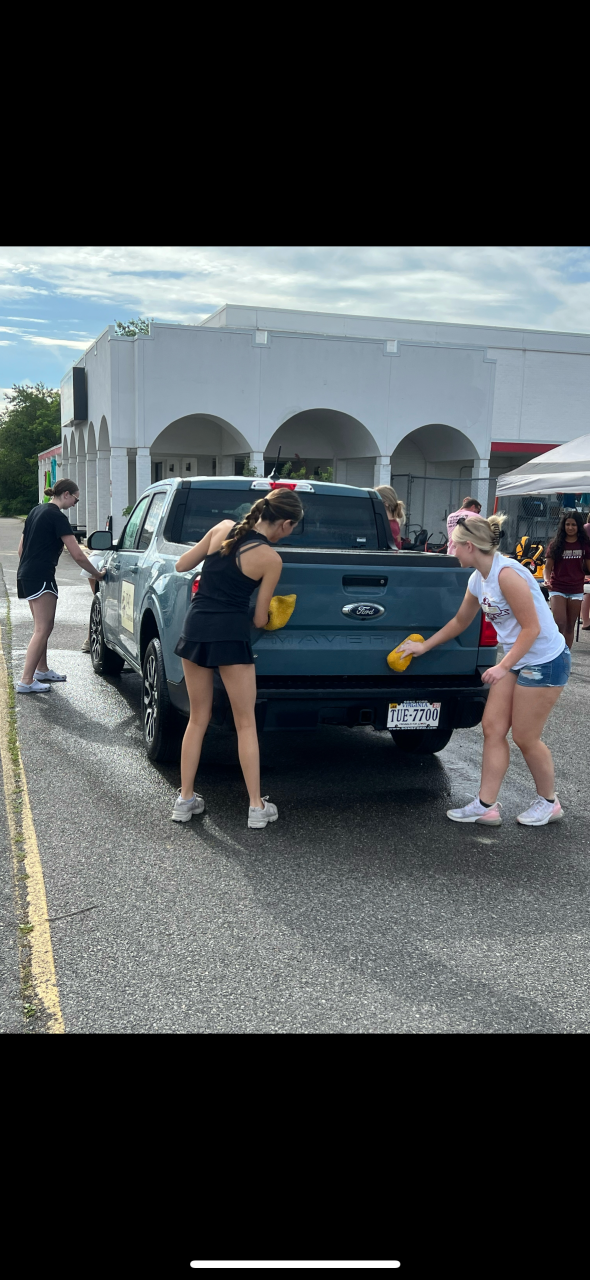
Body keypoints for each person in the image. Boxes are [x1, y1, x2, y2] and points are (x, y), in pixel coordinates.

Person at [398, 511, 570, 827]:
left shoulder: (507, 575)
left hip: (545, 660)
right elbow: (460, 621)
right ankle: (486, 806)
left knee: (525, 737)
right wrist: (423, 646)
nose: (450, 550)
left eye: (454, 544)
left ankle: (549, 803)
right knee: (492, 728)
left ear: (470, 546)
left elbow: (531, 629)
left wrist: (502, 666)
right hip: (517, 659)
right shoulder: (478, 579)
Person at [171, 487, 304, 828]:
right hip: (230, 634)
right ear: (286, 524)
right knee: (245, 723)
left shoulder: (222, 528)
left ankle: (185, 800)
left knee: (197, 718)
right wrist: (273, 613)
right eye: (293, 528)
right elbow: (259, 619)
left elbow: (182, 564)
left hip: (196, 627)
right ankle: (256, 807)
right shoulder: (271, 559)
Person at [16, 479, 107, 693]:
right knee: (43, 628)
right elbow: (78, 554)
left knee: (41, 627)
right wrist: (97, 574)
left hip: (26, 574)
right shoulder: (57, 517)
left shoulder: (36, 511)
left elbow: (21, 550)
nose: (75, 503)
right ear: (66, 494)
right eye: (76, 499)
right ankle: (26, 681)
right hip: (41, 576)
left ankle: (42, 670)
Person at [543, 510, 590, 649]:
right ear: (563, 526)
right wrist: (546, 580)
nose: (570, 527)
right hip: (557, 587)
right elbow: (547, 568)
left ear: (579, 526)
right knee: (560, 622)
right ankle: (554, 652)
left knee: (570, 625)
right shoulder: (555, 545)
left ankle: (565, 655)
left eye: (573, 525)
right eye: (567, 524)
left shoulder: (584, 545)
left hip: (576, 588)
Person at [581, 516, 590, 630]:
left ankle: (585, 619)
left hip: (583, 561)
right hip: (587, 561)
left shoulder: (584, 527)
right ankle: (586, 621)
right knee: (587, 592)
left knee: (586, 591)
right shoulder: (588, 527)